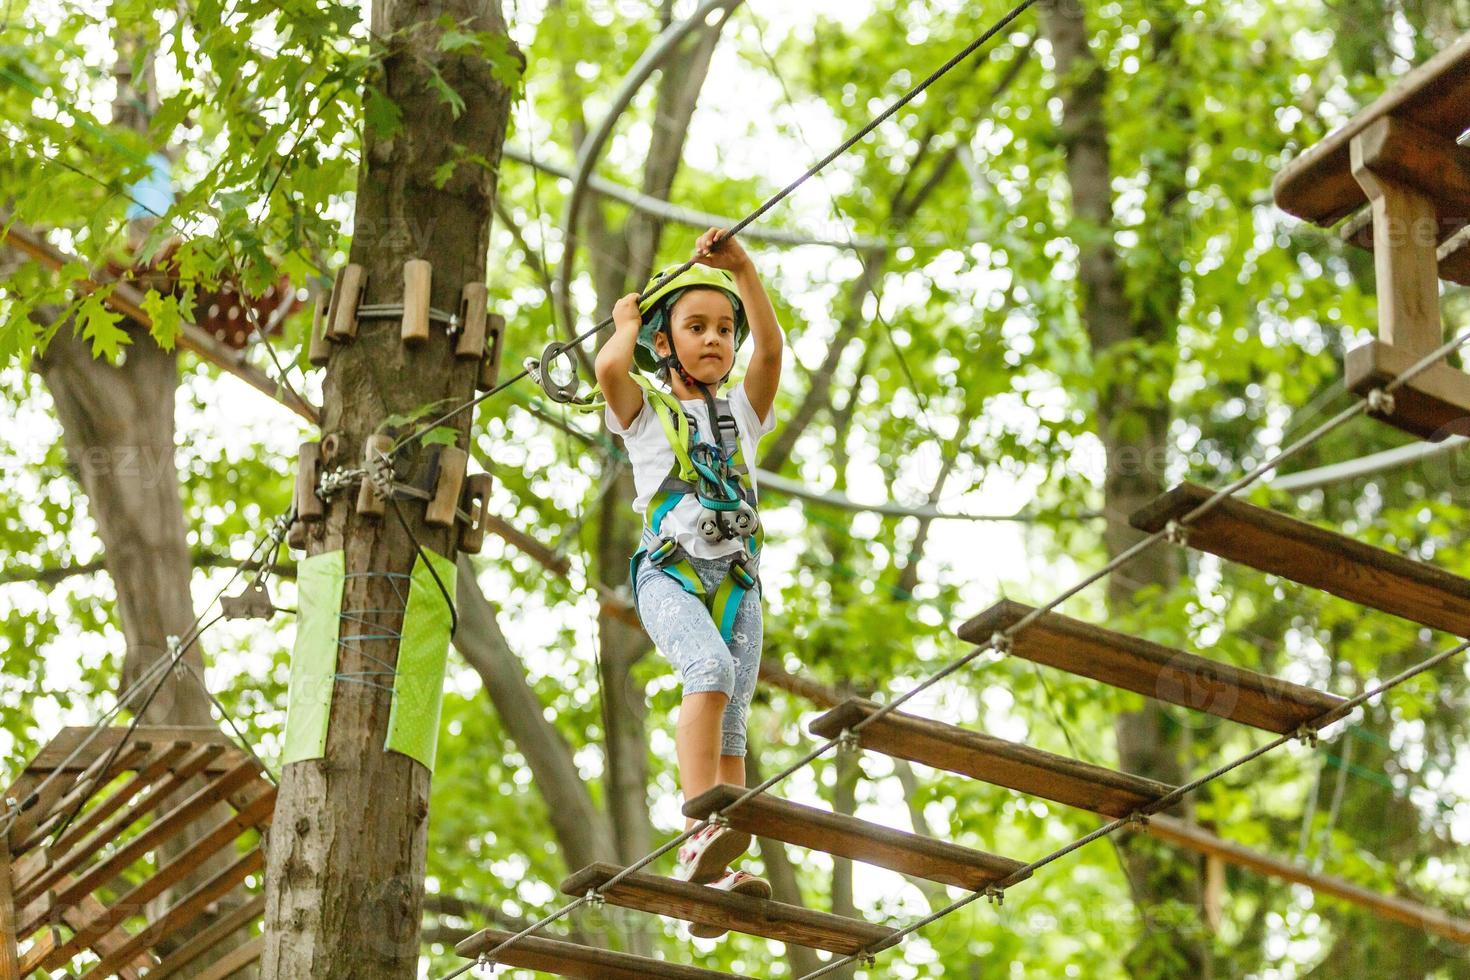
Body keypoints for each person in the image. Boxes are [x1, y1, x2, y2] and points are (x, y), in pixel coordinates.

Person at [595, 228, 784, 924]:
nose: (715, 340)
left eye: (724, 329)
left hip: (737, 583)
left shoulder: (740, 414)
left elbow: (773, 352)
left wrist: (744, 271)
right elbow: (611, 375)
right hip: (670, 575)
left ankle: (718, 873)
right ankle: (696, 828)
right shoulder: (647, 416)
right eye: (696, 327)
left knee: (732, 726)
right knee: (707, 672)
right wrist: (625, 326)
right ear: (665, 343)